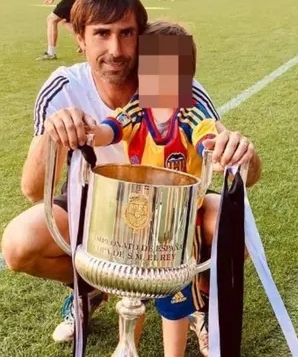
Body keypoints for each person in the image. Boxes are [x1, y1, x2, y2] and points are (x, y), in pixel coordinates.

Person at [0, 0, 261, 356]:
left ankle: (200, 300)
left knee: (235, 225)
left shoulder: (172, 80)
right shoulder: (63, 88)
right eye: (101, 34)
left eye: (126, 34)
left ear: (142, 37)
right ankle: (93, 287)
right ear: (80, 38)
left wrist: (241, 154)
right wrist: (54, 135)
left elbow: (245, 171)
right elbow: (32, 190)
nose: (116, 50)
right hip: (97, 201)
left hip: (170, 206)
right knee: (18, 244)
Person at [90, 23, 214, 357]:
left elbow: (205, 137)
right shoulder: (136, 110)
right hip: (137, 220)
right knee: (131, 288)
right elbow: (110, 129)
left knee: (174, 298)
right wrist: (88, 133)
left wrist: (214, 148)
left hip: (177, 225)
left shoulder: (190, 113)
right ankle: (126, 347)